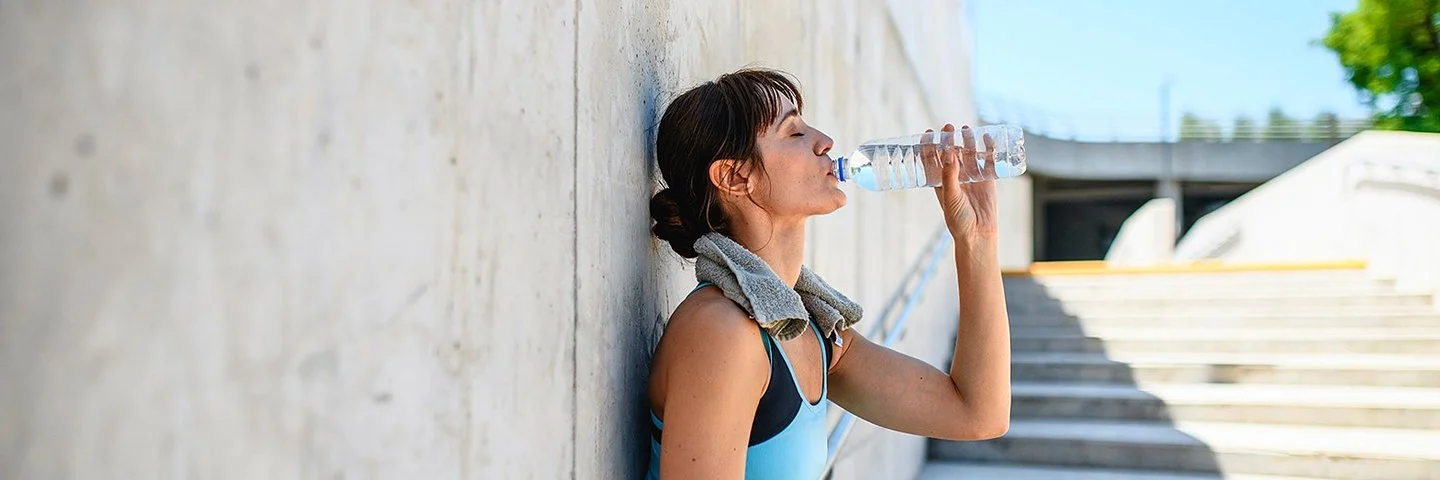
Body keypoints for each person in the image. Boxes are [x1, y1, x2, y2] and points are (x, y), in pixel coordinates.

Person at [645, 68, 1011, 479]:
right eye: (794, 133)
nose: (825, 142)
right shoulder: (722, 333)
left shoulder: (811, 334)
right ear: (735, 177)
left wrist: (977, 240)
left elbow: (977, 413)